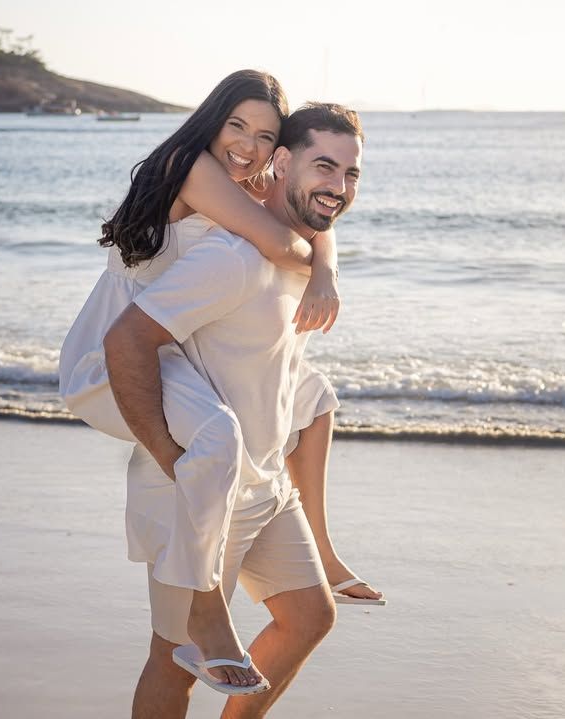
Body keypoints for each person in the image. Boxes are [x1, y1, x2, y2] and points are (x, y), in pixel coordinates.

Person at [58, 71, 380, 690]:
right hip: (111, 354)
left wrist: (323, 266)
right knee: (217, 441)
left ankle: (323, 550)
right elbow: (276, 237)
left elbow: (313, 220)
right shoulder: (193, 167)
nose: (248, 144)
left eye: (262, 134)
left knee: (311, 396)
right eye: (237, 125)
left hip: (165, 348)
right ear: (212, 119)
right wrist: (317, 268)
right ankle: (204, 606)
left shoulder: (249, 178)